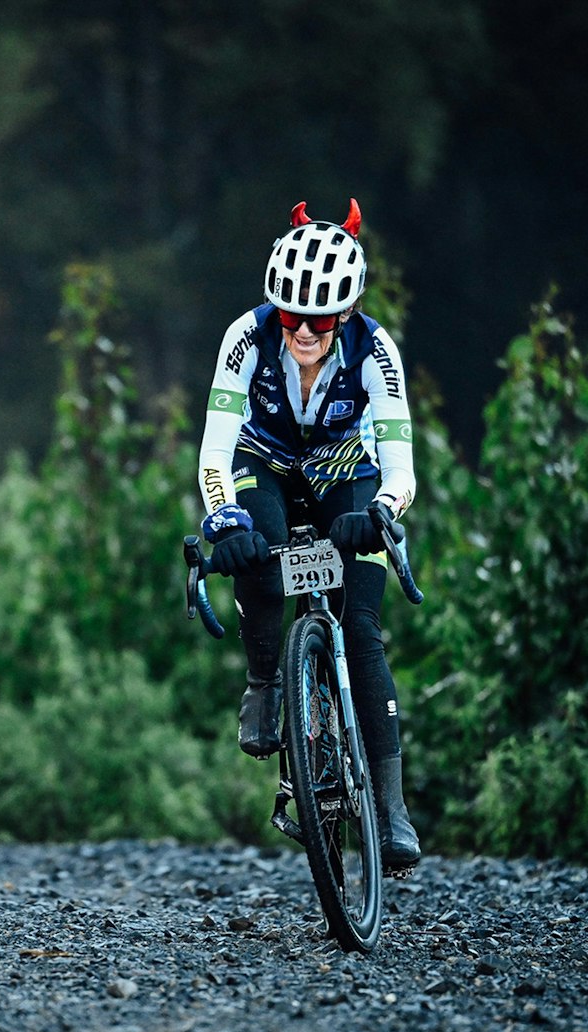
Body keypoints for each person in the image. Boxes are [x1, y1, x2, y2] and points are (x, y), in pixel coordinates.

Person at [195, 198, 421, 871]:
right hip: (262, 463)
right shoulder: (245, 337)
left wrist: (381, 509)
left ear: (346, 311)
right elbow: (214, 451)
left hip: (350, 474)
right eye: (292, 315)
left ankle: (389, 807)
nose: (303, 330)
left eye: (319, 318)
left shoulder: (376, 351)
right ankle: (265, 681)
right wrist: (222, 519)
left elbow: (403, 467)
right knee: (255, 552)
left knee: (361, 626)